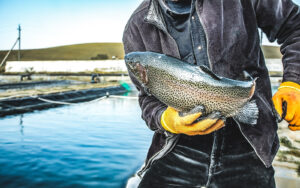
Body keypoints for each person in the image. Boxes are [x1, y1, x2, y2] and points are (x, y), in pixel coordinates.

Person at [123, 0, 300, 187]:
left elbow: (295, 26)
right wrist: (166, 120)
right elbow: (147, 98)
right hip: (176, 151)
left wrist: (294, 82)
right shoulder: (137, 26)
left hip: (250, 147)